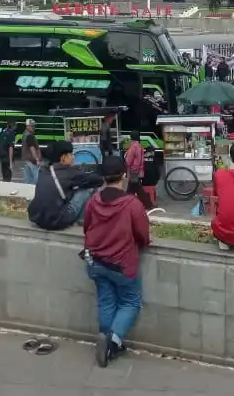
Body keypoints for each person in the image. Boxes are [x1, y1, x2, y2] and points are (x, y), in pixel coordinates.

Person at [82, 155, 151, 368]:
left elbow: (87, 228)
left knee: (106, 300)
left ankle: (105, 335)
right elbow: (143, 236)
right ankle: (113, 342)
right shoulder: (132, 204)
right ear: (124, 175)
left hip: (95, 261)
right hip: (121, 265)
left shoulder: (93, 200)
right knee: (130, 302)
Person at [28, 141, 104, 230]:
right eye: (71, 155)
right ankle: (81, 220)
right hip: (57, 221)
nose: (73, 157)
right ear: (63, 158)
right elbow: (98, 180)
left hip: (37, 218)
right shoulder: (70, 173)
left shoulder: (44, 170)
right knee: (88, 189)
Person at [122, 130, 154, 210]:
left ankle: (148, 205)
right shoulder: (139, 146)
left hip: (133, 171)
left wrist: (124, 167)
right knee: (134, 190)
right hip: (138, 171)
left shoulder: (133, 147)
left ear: (131, 137)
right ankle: (148, 205)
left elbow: (128, 161)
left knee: (134, 190)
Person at [20, 119, 41, 184]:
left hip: (26, 159)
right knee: (37, 178)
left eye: (34, 126)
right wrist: (37, 159)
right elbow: (32, 148)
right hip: (32, 160)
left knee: (27, 179)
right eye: (32, 126)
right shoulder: (30, 135)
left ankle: (27, 192)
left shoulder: (24, 134)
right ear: (27, 126)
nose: (33, 128)